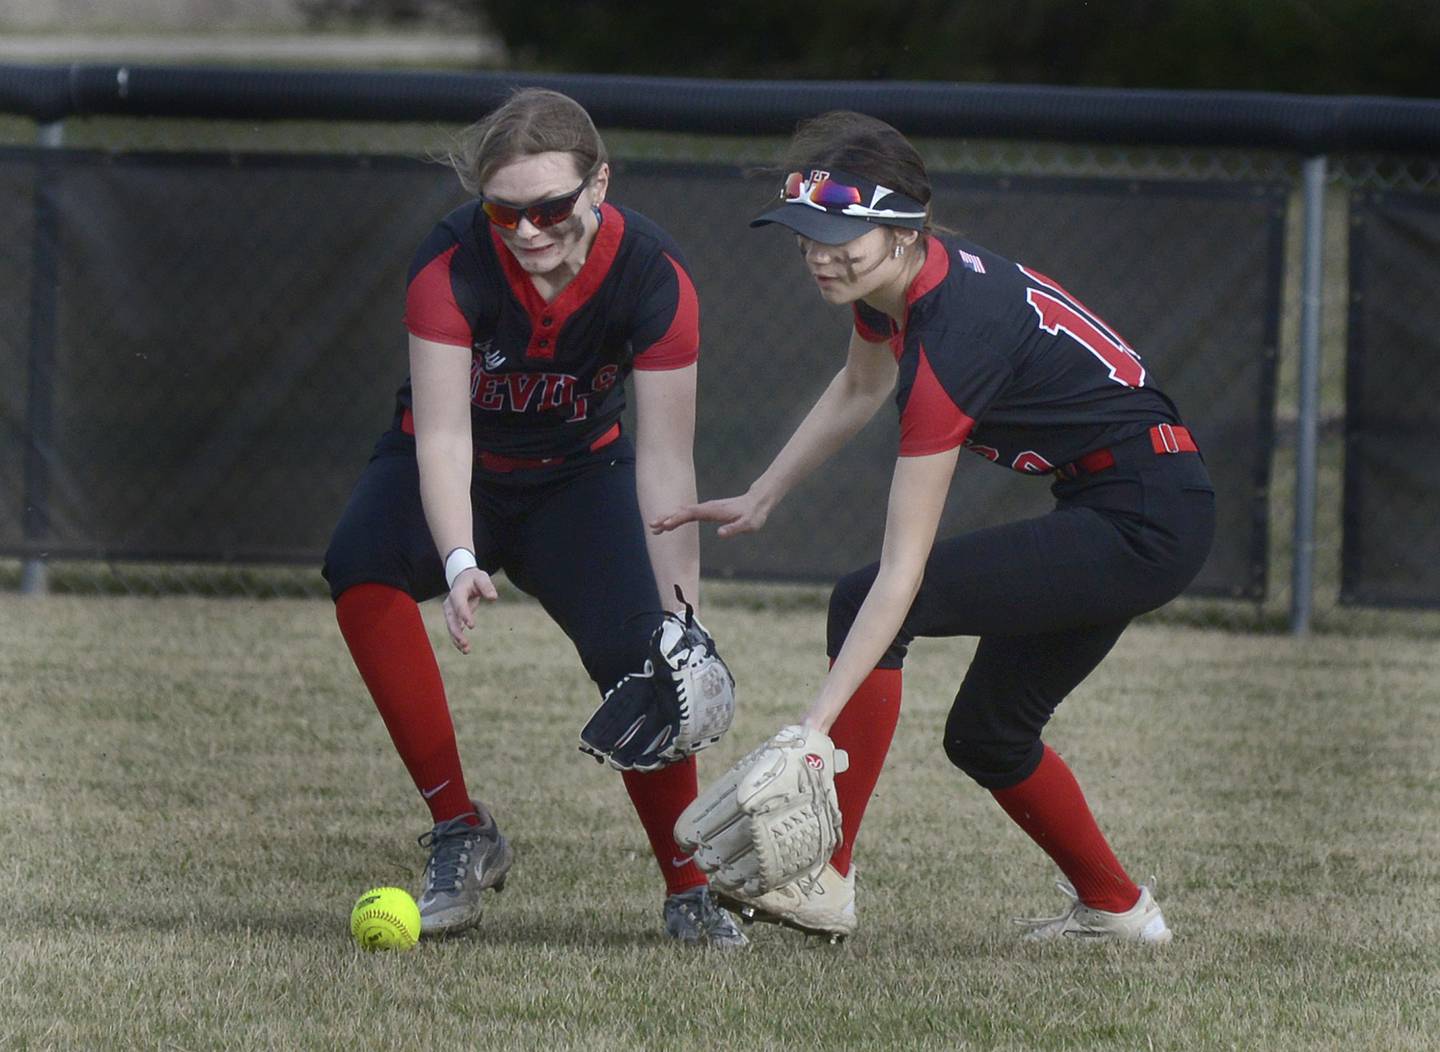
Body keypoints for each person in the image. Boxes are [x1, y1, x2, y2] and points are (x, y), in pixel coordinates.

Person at [653, 111, 1215, 944]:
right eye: (806, 232)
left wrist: (813, 730)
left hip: (1142, 516)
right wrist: (764, 493)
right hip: (1139, 503)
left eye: (842, 232)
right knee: (989, 737)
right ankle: (1120, 911)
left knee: (866, 601)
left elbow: (900, 578)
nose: (818, 253)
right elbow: (856, 388)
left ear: (907, 229)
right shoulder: (905, 289)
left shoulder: (955, 336)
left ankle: (828, 880)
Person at [323, 88, 745, 948]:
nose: (527, 231)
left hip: (579, 477)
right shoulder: (451, 261)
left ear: (600, 185)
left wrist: (682, 623)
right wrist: (456, 557)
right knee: (358, 561)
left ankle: (688, 886)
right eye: (505, 210)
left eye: (550, 208)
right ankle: (458, 827)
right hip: (452, 469)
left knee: (642, 659)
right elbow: (442, 435)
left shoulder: (654, 275)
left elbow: (667, 465)